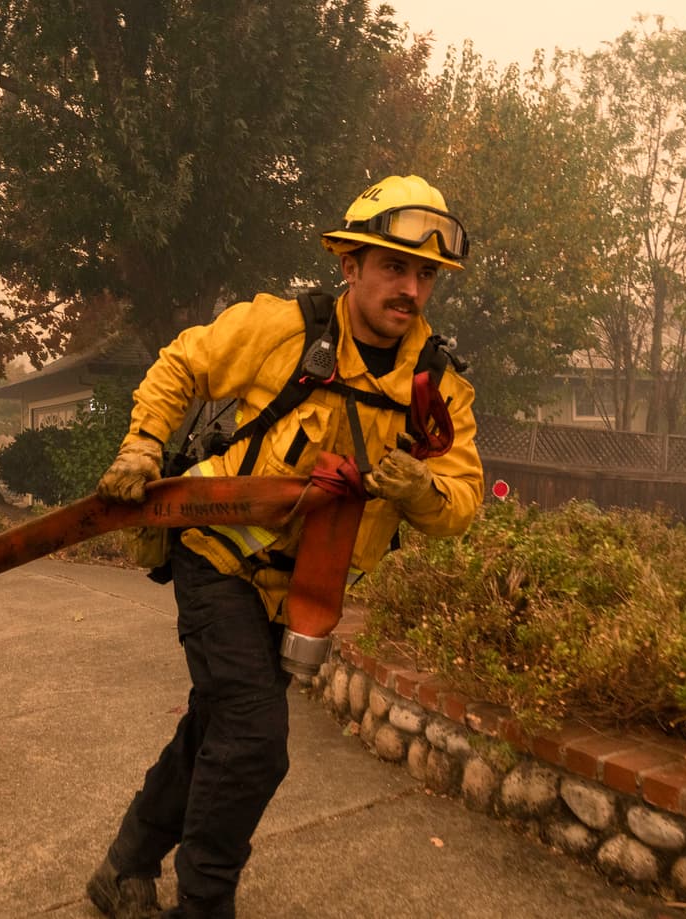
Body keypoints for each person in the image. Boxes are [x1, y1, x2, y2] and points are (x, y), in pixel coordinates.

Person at [88, 175, 485, 918]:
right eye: (395, 267)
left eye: (426, 274)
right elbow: (184, 362)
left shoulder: (436, 383)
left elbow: (459, 503)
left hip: (305, 593)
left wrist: (417, 491)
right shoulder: (285, 328)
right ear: (351, 266)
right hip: (217, 555)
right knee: (254, 741)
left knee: (215, 728)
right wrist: (144, 443)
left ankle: (123, 866)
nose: (411, 288)